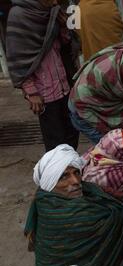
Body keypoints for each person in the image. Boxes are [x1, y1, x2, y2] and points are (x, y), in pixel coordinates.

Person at [25, 144, 123, 266]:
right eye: (64, 176)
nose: (75, 181)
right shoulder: (79, 217)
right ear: (50, 183)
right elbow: (119, 217)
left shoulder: (42, 197)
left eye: (76, 173)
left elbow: (97, 190)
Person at [6, 0, 79, 152]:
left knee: (72, 132)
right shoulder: (19, 15)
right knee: (55, 142)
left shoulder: (52, 12)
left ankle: (70, 170)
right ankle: (57, 173)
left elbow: (66, 45)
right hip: (45, 94)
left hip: (65, 86)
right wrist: (31, 92)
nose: (54, 1)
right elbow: (17, 57)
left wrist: (64, 26)